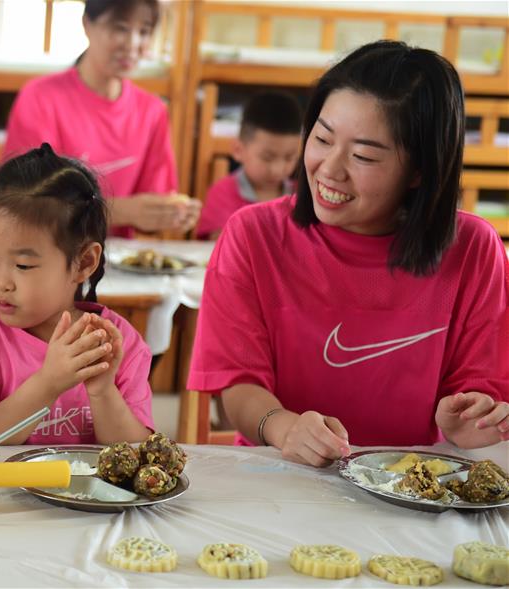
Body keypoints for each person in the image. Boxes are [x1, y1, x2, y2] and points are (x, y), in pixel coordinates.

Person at [187, 40, 509, 467]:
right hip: (286, 476)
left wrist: (474, 420)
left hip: (416, 485)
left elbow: (480, 389)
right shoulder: (252, 235)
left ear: (419, 170)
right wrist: (285, 427)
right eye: (321, 138)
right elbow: (238, 384)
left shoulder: (474, 249)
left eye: (362, 155)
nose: (329, 168)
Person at [0, 144, 154, 444]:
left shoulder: (115, 342)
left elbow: (137, 455)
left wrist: (102, 391)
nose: (1, 282)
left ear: (83, 263)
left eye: (23, 264)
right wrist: (48, 384)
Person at [2, 0, 200, 238]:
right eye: (120, 28)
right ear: (87, 24)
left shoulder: (152, 111)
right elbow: (26, 201)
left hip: (116, 261)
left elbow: (150, 209)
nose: (133, 44)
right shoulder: (40, 98)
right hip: (48, 254)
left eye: (144, 31)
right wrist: (121, 211)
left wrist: (171, 213)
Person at [195, 91, 303, 240]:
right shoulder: (223, 193)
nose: (277, 170)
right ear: (238, 150)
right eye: (267, 158)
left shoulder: (301, 195)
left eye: (289, 157)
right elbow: (219, 246)